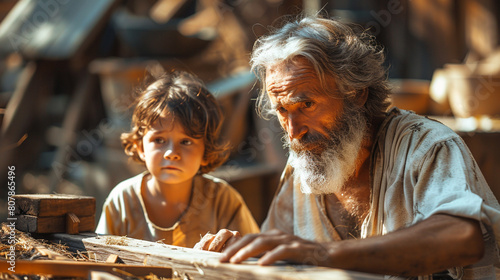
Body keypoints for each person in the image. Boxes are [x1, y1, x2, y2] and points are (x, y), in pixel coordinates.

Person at [194, 15, 500, 279]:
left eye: (307, 104)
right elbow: (282, 255)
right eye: (282, 111)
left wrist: (323, 254)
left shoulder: (425, 146)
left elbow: (463, 236)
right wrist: (240, 254)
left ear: (356, 95)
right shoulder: (304, 164)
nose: (293, 131)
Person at [95, 70, 259, 247]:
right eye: (159, 140)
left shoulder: (223, 200)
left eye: (186, 141)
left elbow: (251, 257)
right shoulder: (122, 200)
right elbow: (100, 264)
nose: (171, 153)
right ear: (140, 147)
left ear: (206, 152)